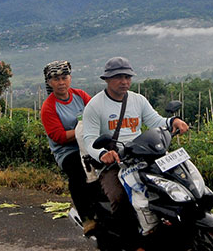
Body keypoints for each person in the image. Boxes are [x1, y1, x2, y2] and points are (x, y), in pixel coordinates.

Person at [80, 56, 189, 243]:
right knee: (119, 198)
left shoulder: (138, 100)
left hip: (143, 156)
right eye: (118, 77)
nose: (124, 82)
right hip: (115, 163)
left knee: (176, 183)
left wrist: (173, 121)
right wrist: (103, 154)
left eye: (127, 77)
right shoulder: (95, 106)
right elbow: (89, 139)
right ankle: (132, 243)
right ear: (106, 79)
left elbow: (155, 121)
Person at [39, 60, 98, 234]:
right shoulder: (49, 107)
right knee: (79, 172)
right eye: (56, 79)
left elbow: (96, 113)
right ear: (50, 83)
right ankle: (87, 218)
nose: (61, 82)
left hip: (88, 143)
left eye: (64, 77)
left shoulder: (80, 96)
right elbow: (58, 137)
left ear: (70, 78)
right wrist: (81, 130)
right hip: (67, 150)